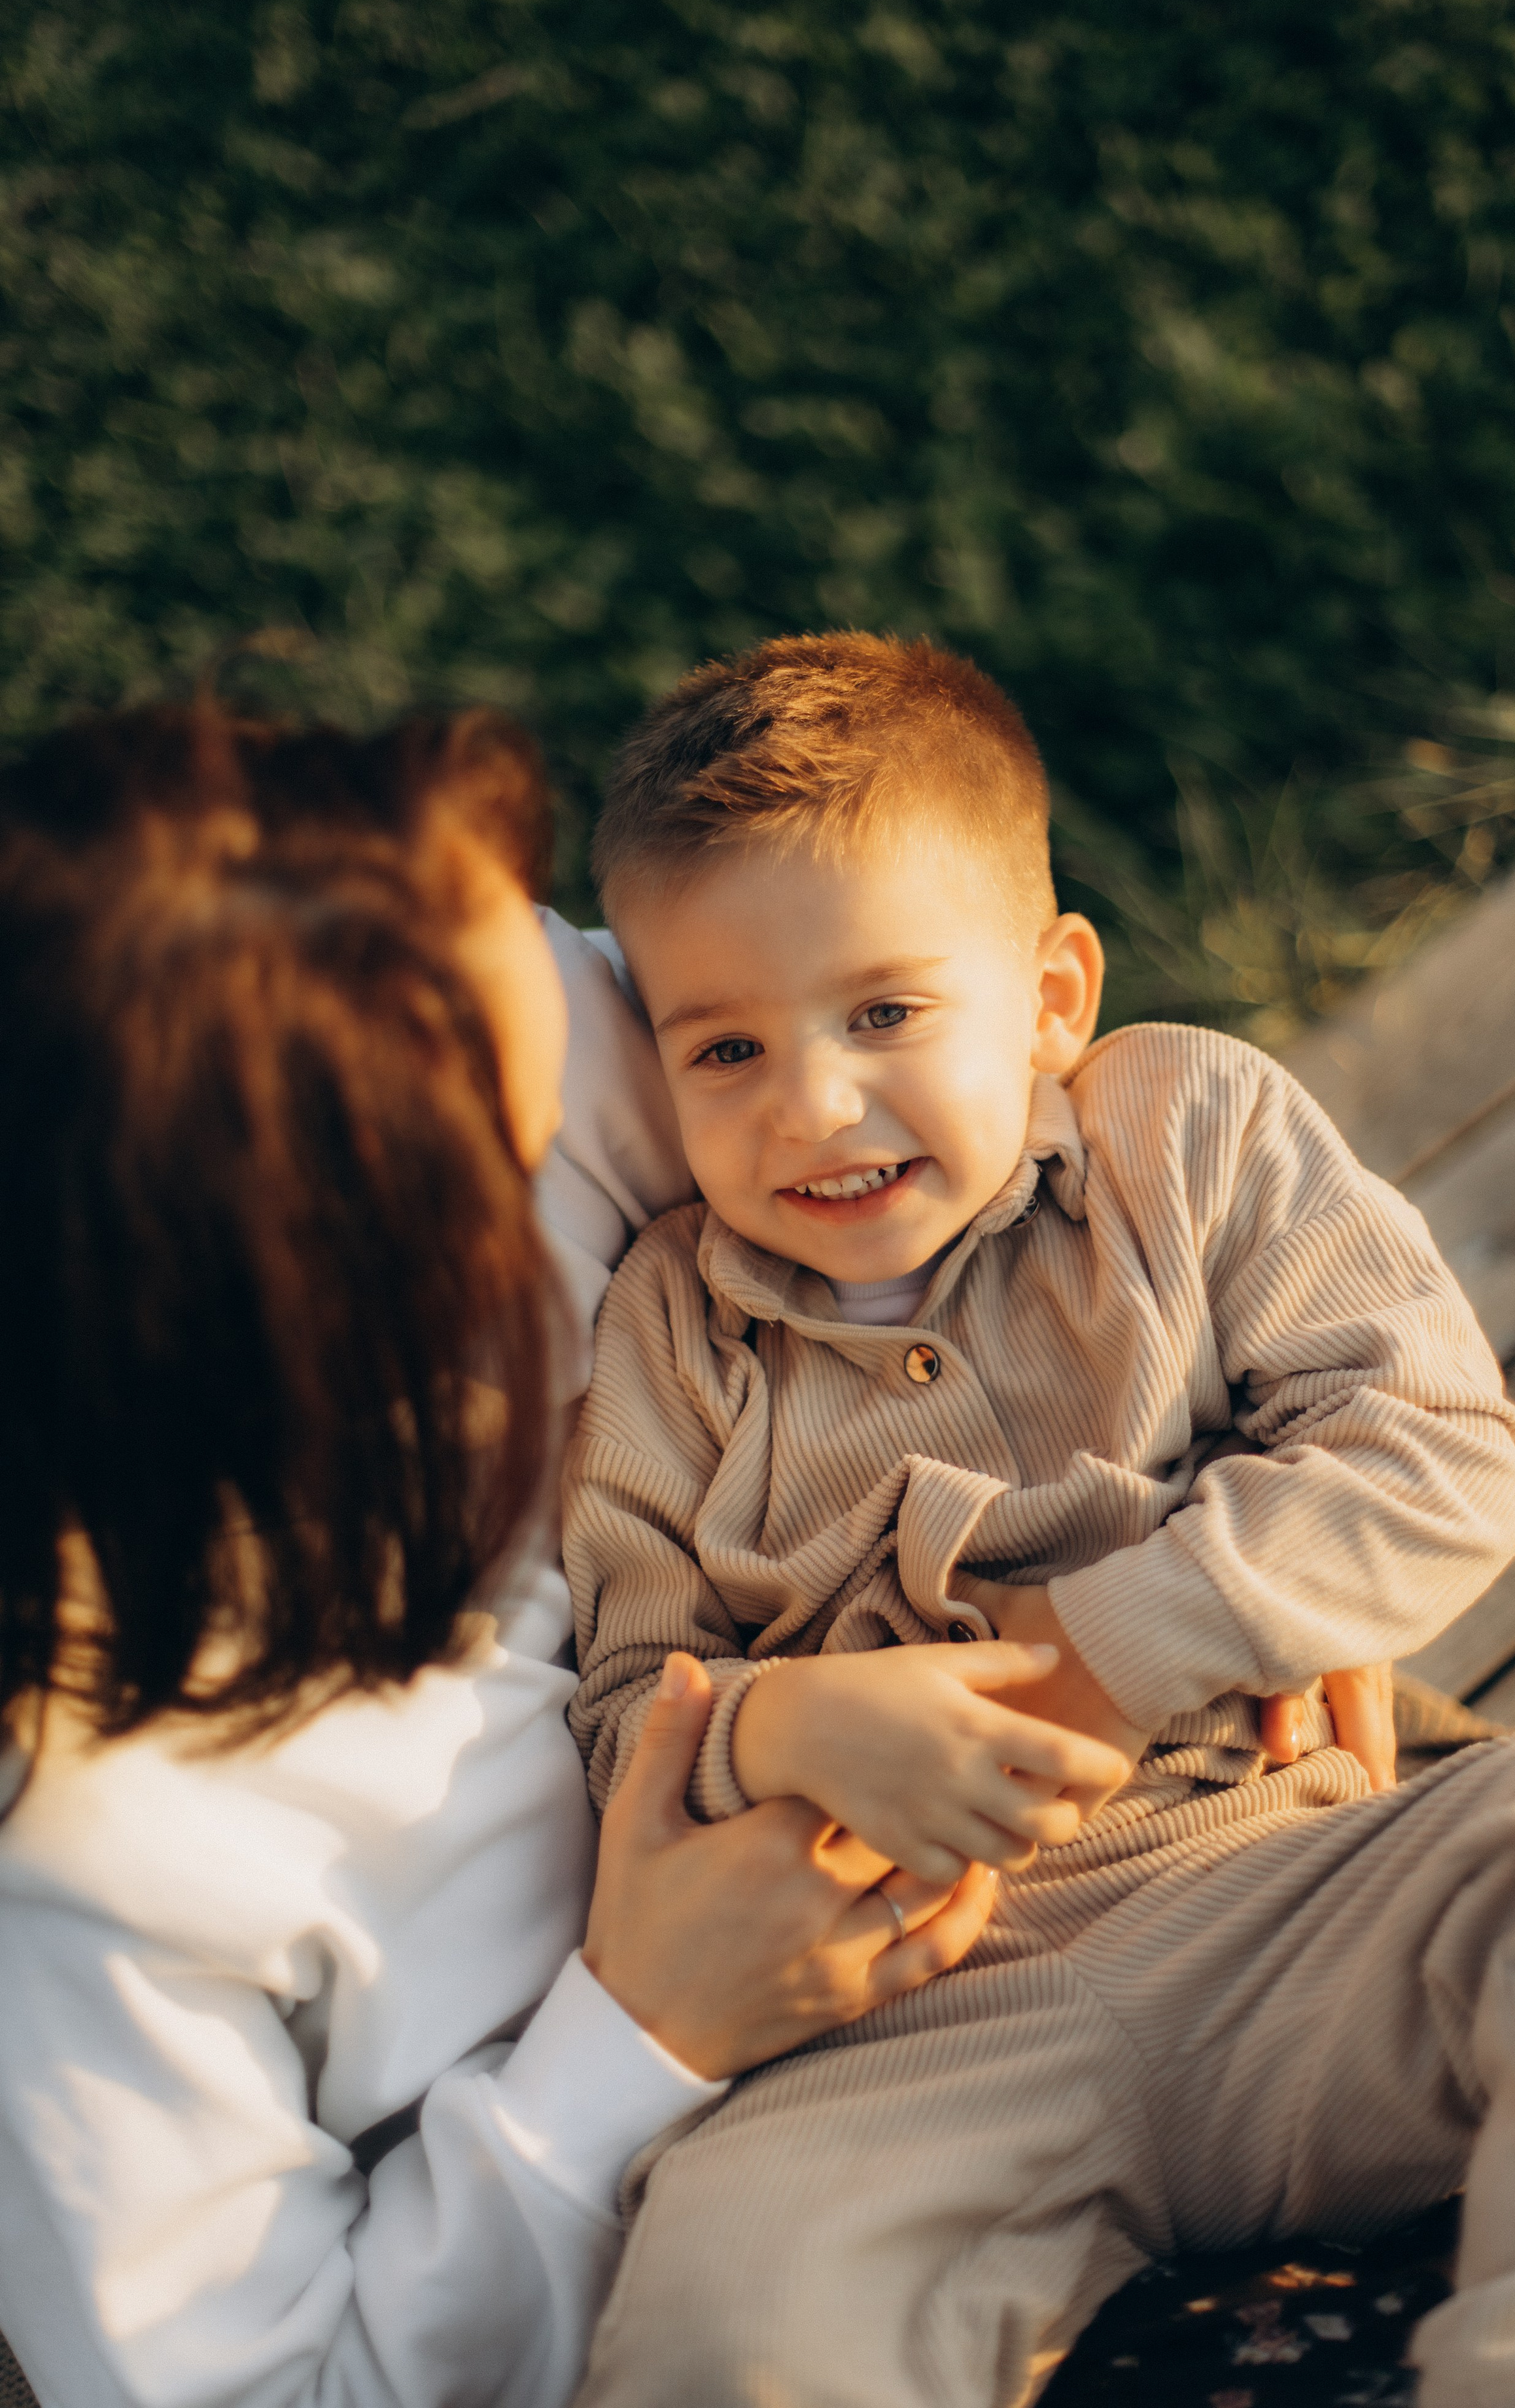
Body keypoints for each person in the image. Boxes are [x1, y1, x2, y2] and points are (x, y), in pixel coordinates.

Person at [562, 631, 1515, 2407]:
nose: (813, 1105)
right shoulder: (665, 1337)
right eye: (726, 1048)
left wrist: (1120, 1639)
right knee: (723, 2310)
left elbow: (1436, 1450)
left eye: (884, 1015)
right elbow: (623, 1711)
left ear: (1053, 996)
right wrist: (783, 1726)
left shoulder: (1185, 1131)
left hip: (1287, 1895)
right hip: (906, 2021)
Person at [0, 701, 1005, 2408]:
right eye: (518, 1137)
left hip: (1078, 1882)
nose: (597, 1096)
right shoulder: (80, 1870)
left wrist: (1218, 1462)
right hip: (726, 2300)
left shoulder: (504, 998)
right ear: (300, 1281)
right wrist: (640, 2035)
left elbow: (935, 1079)